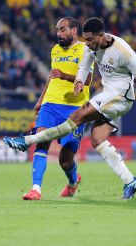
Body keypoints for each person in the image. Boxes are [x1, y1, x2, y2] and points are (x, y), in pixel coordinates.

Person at [4, 17, 136, 199]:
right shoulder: (90, 46)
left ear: (101, 36)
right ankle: (130, 180)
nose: (88, 44)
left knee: (78, 116)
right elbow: (84, 66)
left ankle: (27, 141)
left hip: (120, 96)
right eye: (86, 40)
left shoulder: (122, 50)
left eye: (91, 40)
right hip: (109, 96)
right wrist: (78, 82)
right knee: (97, 139)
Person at [21, 17, 93, 200]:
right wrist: (41, 98)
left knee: (65, 159)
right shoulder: (55, 50)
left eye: (62, 30)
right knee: (42, 141)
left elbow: (88, 80)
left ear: (74, 31)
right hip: (51, 103)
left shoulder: (86, 49)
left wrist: (64, 75)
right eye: (57, 30)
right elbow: (52, 77)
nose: (59, 33)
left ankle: (72, 181)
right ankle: (35, 189)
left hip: (75, 107)